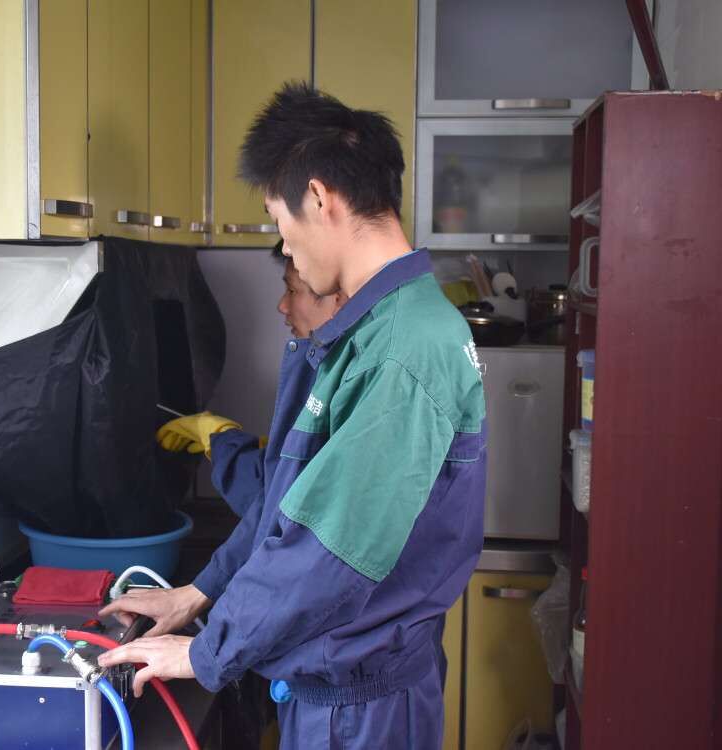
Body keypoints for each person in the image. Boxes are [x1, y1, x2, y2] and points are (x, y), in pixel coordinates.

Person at [99, 82, 487, 749]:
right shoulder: (376, 331)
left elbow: (328, 550)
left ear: (318, 197)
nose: (286, 248)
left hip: (361, 712)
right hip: (338, 694)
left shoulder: (403, 350)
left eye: (279, 221)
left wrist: (208, 650)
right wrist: (196, 595)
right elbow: (291, 505)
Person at [155, 240, 346, 518]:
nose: (282, 305)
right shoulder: (338, 363)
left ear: (338, 299)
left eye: (292, 290)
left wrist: (220, 440)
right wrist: (273, 449)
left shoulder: (344, 379)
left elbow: (275, 498)